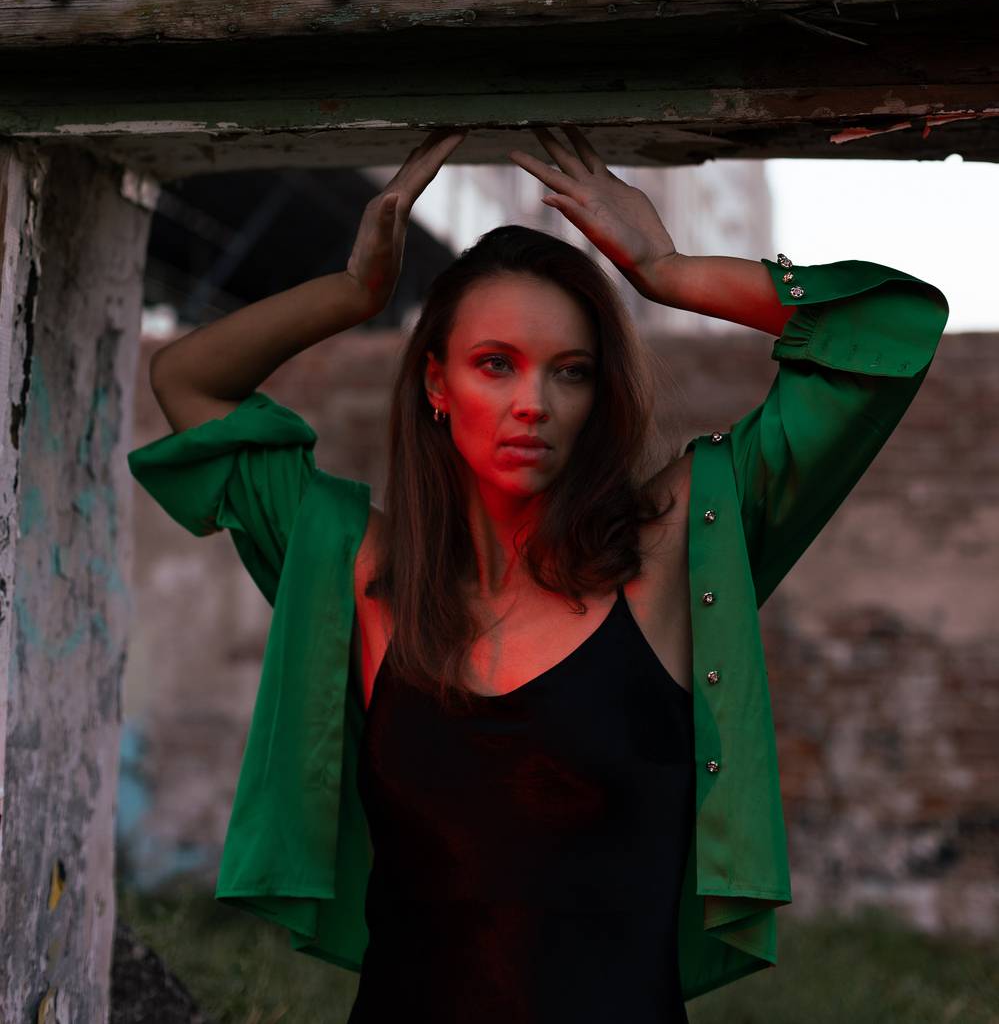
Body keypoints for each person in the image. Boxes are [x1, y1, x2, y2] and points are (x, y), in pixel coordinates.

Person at [128, 124, 950, 1021]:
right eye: (495, 365)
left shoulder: (673, 549)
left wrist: (668, 271)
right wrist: (350, 291)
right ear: (435, 386)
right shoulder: (355, 567)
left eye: (570, 372)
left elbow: (884, 327)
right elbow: (189, 384)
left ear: (599, 395)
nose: (533, 403)